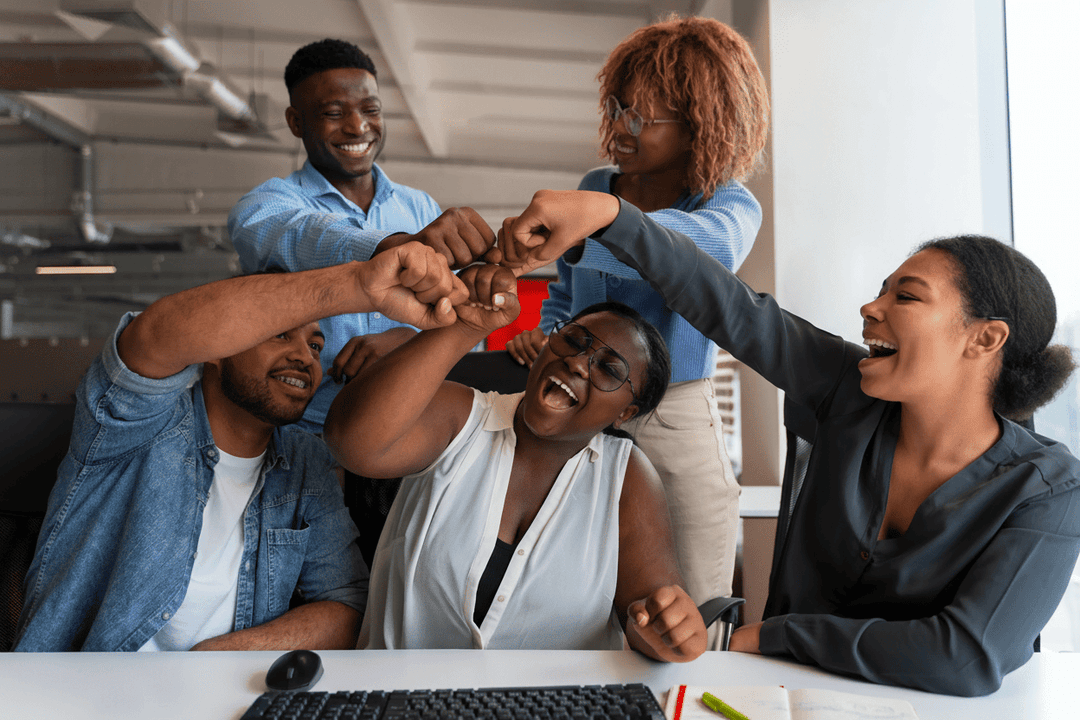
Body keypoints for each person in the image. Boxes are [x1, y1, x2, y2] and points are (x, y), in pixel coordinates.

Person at [496, 189, 1080, 696]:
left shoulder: (1048, 489)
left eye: (905, 297)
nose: (869, 309)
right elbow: (732, 308)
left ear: (985, 338)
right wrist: (609, 215)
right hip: (771, 695)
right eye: (881, 291)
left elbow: (965, 657)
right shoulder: (848, 390)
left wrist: (765, 635)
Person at [14, 243, 468, 652]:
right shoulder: (135, 424)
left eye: (315, 344)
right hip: (83, 696)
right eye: (281, 335)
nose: (305, 357)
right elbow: (154, 337)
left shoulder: (304, 462)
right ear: (217, 347)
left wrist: (225, 657)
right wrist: (356, 284)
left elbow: (346, 605)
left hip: (223, 697)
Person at [504, 15, 770, 611]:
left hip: (673, 409)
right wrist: (548, 335)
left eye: (642, 117)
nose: (621, 127)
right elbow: (570, 298)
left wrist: (592, 225)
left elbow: (708, 251)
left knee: (697, 589)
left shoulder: (726, 204)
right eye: (619, 106)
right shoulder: (599, 183)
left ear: (701, 124)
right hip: (583, 400)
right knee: (575, 574)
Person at [322, 263, 708, 661]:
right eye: (574, 340)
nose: (578, 363)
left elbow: (650, 616)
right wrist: (465, 327)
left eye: (609, 369)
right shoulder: (461, 416)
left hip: (553, 706)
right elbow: (350, 442)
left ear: (625, 413)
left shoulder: (627, 476)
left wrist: (670, 630)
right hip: (406, 701)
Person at [229, 38, 495, 433]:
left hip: (411, 435)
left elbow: (466, 335)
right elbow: (298, 234)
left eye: (370, 110)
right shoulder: (269, 205)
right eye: (334, 113)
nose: (357, 127)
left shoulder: (420, 206)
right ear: (296, 122)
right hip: (306, 438)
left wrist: (406, 340)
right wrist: (390, 247)